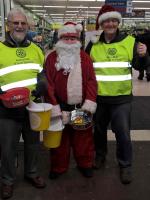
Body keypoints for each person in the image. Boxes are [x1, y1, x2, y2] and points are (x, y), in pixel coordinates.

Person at [85, 4, 149, 184]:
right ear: (101, 23)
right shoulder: (93, 43)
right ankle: (100, 156)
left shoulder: (130, 41)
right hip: (98, 98)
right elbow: (85, 69)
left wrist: (144, 56)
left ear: (118, 22)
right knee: (98, 131)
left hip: (121, 99)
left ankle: (125, 165)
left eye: (113, 20)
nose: (110, 24)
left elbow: (140, 67)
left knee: (123, 133)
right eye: (106, 21)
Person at [0, 8, 46, 199]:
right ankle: (7, 181)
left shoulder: (36, 49)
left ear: (28, 26)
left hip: (32, 107)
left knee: (33, 144)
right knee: (7, 147)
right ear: (8, 25)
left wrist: (42, 85)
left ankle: (32, 173)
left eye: (22, 23)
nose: (19, 26)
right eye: (15, 23)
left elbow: (41, 73)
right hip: (6, 110)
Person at [44, 22, 97, 179]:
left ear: (77, 40)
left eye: (72, 38)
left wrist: (89, 102)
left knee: (83, 139)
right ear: (60, 39)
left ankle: (85, 164)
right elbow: (48, 85)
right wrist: (54, 105)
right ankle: (59, 167)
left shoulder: (85, 58)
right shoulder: (51, 58)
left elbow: (91, 82)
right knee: (60, 140)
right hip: (59, 106)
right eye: (66, 38)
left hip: (80, 107)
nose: (69, 41)